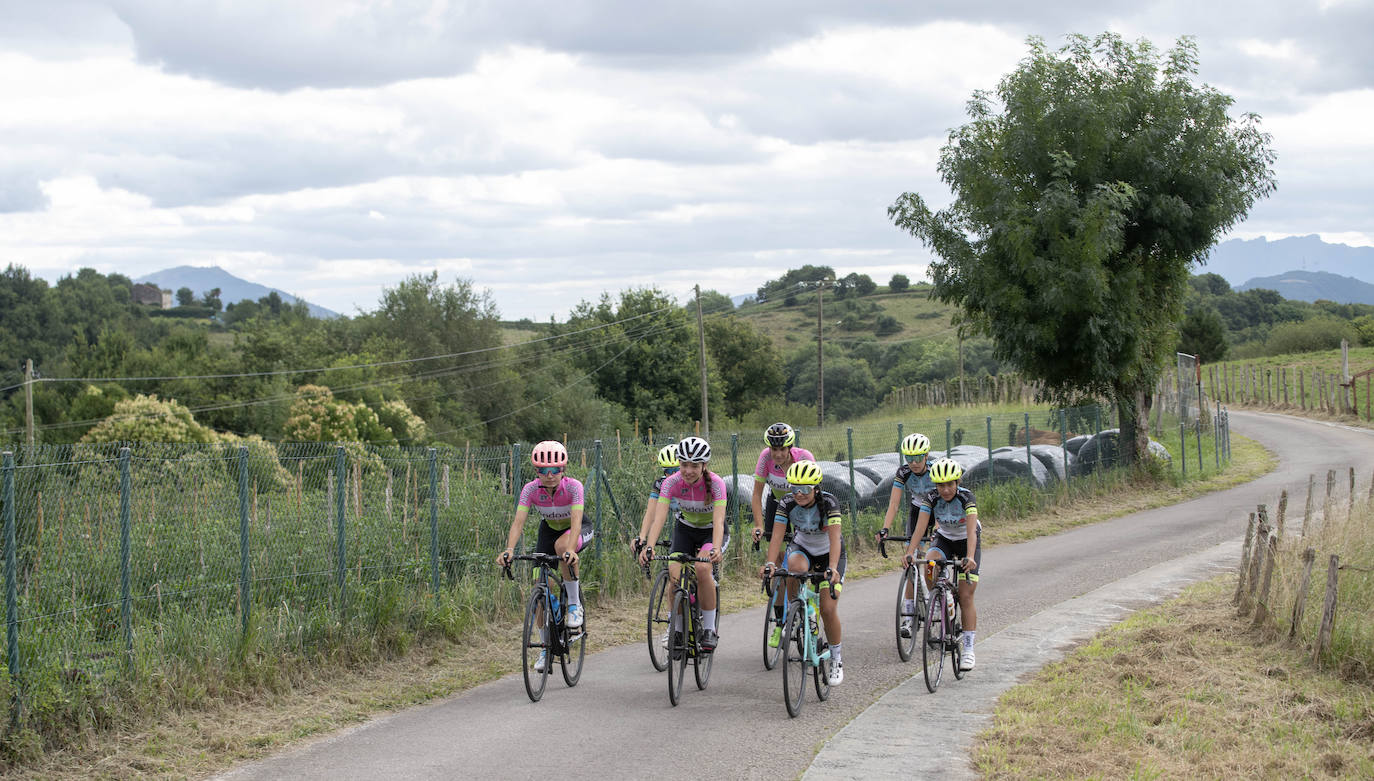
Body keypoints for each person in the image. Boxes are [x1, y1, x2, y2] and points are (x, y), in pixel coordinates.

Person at [496, 440, 592, 673]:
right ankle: (546, 648)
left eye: (555, 470)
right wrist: (509, 549)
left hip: (576, 530)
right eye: (543, 471)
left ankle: (573, 605)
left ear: (563, 469)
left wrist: (571, 549)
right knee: (541, 590)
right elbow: (518, 522)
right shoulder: (530, 489)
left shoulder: (573, 487)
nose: (549, 475)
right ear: (536, 471)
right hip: (547, 531)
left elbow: (577, 520)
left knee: (562, 548)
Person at [638, 436, 729, 653]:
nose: (688, 470)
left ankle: (708, 629)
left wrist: (716, 548)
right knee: (675, 575)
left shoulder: (716, 484)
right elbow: (659, 518)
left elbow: (718, 521)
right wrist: (649, 546)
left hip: (710, 532)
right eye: (684, 465)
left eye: (694, 466)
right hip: (685, 530)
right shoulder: (671, 482)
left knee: (702, 568)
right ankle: (677, 630)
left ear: (704, 465)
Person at [760, 460, 846, 685]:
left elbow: (835, 538)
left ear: (816, 488)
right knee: (792, 570)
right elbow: (777, 536)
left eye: (805, 489)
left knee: (828, 609)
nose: (799, 494)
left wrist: (833, 568)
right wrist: (770, 563)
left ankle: (836, 659)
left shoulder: (829, 503)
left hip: (830, 553)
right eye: (794, 487)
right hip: (803, 548)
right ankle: (799, 612)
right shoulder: (787, 502)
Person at [902, 457, 980, 671]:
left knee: (965, 596)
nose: (945, 490)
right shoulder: (931, 498)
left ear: (957, 483)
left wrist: (970, 557)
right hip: (944, 538)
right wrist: (910, 553)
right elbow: (919, 528)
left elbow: (972, 531)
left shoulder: (966, 498)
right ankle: (938, 596)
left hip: (966, 541)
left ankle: (969, 648)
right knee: (929, 563)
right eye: (940, 485)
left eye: (949, 484)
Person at [749, 422, 815, 631]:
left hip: (802, 506)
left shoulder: (804, 457)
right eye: (773, 449)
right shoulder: (765, 458)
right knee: (777, 558)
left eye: (781, 449)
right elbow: (757, 495)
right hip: (778, 505)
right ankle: (780, 619)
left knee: (799, 556)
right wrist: (759, 525)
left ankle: (803, 600)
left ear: (790, 448)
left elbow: (815, 492)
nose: (777, 454)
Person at [876, 432, 934, 639]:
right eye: (909, 458)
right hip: (918, 511)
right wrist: (885, 528)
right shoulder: (903, 472)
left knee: (931, 560)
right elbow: (893, 503)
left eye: (918, 458)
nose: (914, 463)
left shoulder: (935, 470)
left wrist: (938, 529)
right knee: (911, 563)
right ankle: (909, 617)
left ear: (926, 456)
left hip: (938, 511)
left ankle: (936, 596)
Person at [632, 444, 681, 561]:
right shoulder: (660, 484)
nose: (673, 475)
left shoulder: (690, 482)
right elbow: (651, 513)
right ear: (664, 471)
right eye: (669, 471)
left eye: (677, 470)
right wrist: (642, 536)